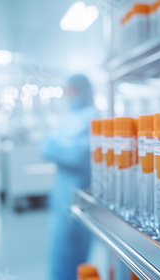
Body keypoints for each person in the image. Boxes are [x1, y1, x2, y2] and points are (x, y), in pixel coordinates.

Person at [40, 74, 99, 280]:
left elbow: (78, 155)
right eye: (68, 91)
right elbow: (46, 147)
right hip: (61, 196)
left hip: (78, 194)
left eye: (74, 91)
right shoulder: (72, 118)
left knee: (73, 251)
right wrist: (59, 147)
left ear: (86, 91)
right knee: (58, 251)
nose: (70, 96)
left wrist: (58, 146)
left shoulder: (94, 117)